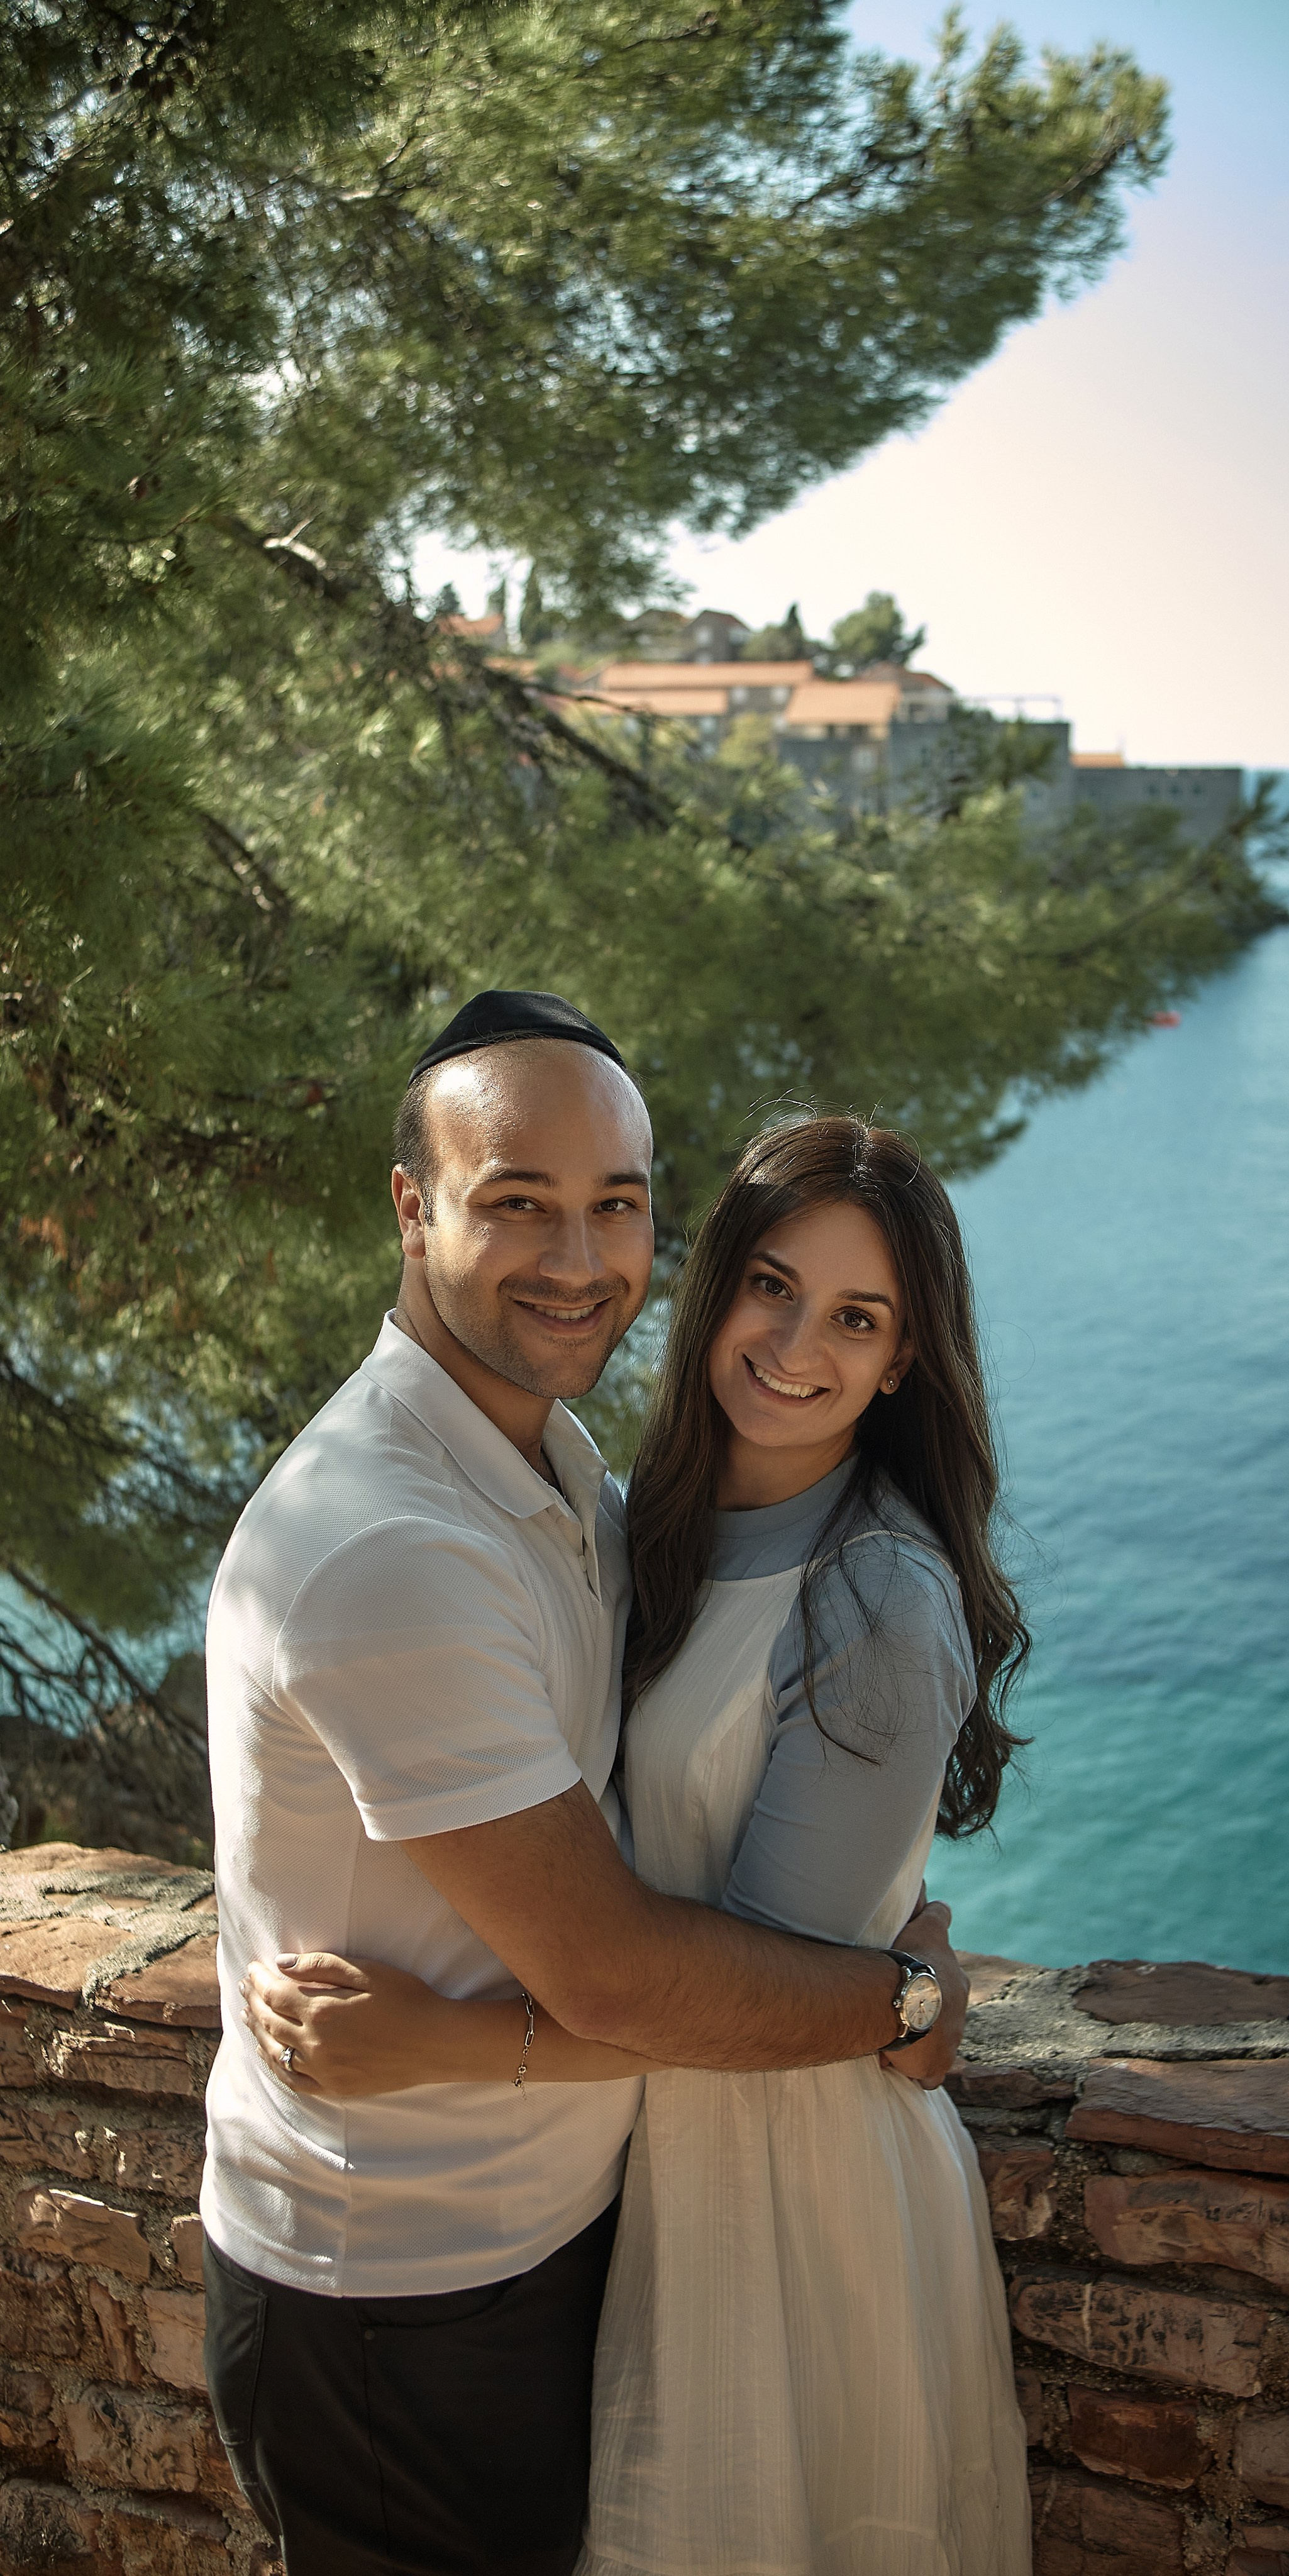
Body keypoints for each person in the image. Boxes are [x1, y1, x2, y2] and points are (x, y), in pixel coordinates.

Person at [203, 992, 968, 2576]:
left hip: (588, 2226)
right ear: (412, 1210)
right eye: (519, 1202)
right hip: (396, 2284)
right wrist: (898, 2002)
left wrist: (881, 1978)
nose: (578, 1254)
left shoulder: (564, 1476)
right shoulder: (395, 1537)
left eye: (615, 1202)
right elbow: (628, 1965)